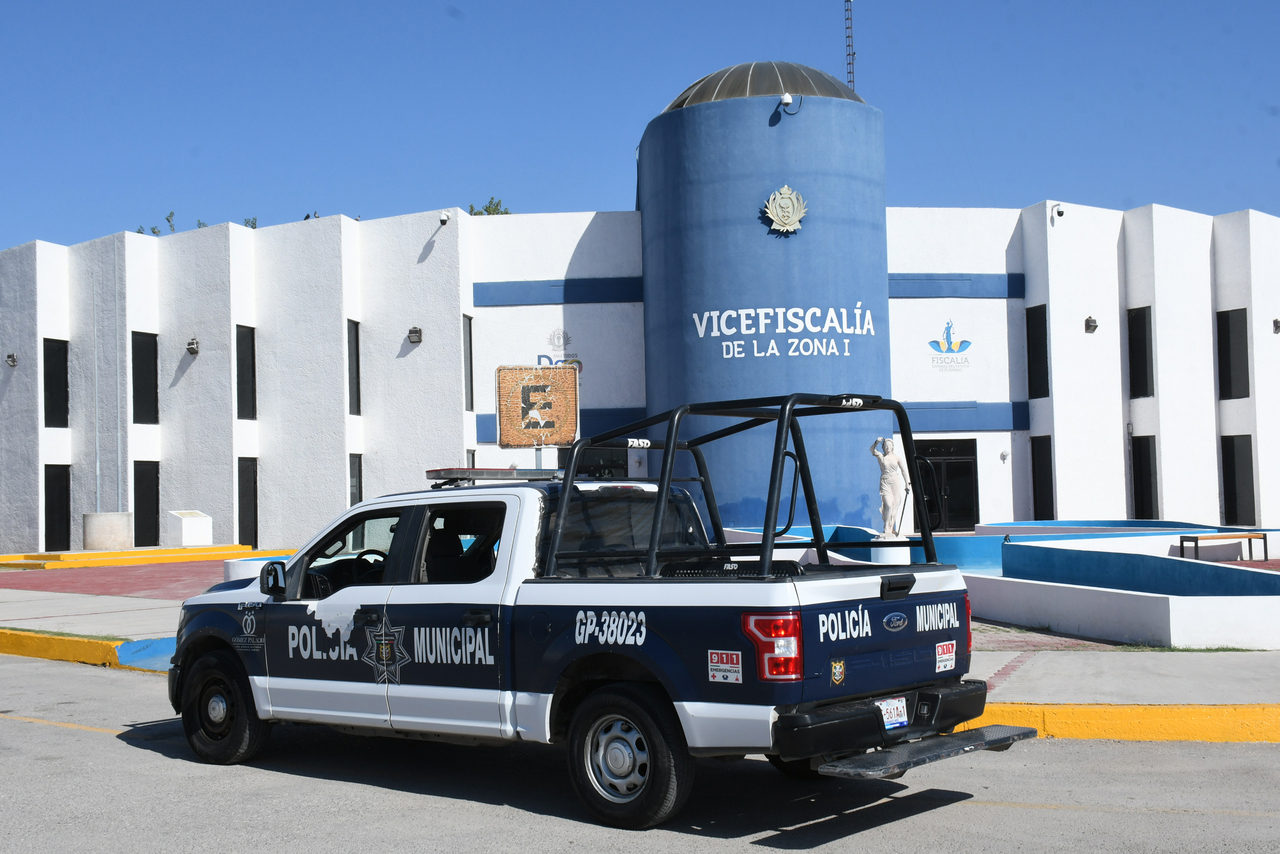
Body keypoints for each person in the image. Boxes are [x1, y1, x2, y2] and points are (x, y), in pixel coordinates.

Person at [870, 436, 909, 538]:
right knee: (888, 504)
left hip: (895, 481)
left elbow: (903, 470)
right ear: (883, 447)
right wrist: (876, 442)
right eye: (886, 446)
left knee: (895, 505)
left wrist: (907, 483)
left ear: (892, 447)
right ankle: (886, 527)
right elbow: (872, 450)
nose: (887, 447)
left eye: (889, 445)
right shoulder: (881, 457)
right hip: (885, 481)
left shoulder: (897, 458)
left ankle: (891, 528)